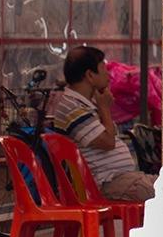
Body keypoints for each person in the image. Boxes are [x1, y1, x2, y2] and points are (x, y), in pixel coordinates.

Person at [45, 46, 156, 203]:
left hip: (120, 179)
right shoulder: (72, 107)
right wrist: (105, 109)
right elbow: (108, 142)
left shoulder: (84, 104)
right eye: (103, 68)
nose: (108, 74)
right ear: (90, 75)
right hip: (104, 183)